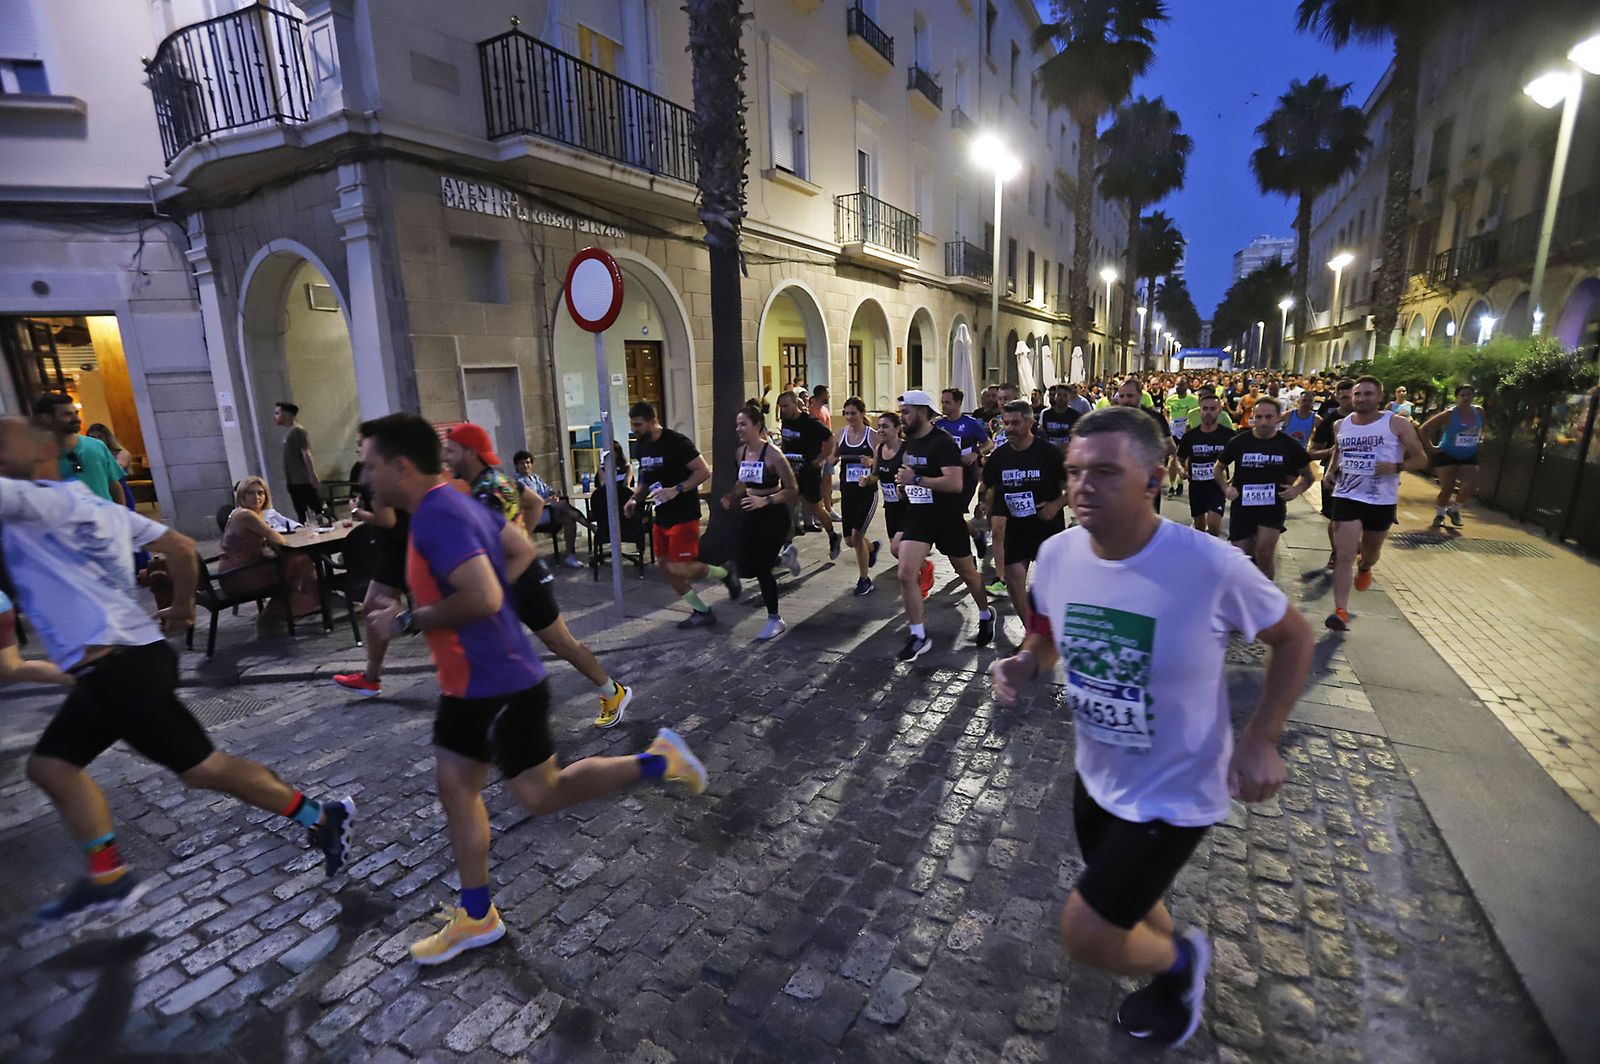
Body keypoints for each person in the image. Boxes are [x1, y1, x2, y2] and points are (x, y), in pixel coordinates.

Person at [989, 405, 1314, 1048]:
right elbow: (1051, 626)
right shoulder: (1056, 553)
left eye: (1105, 471)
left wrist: (1261, 737)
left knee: (1087, 931)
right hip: (1098, 773)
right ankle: (1174, 977)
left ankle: (1184, 963)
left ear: (1153, 478)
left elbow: (1295, 638)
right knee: (1131, 905)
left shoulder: (1207, 564)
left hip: (1177, 787)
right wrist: (1028, 661)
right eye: (1075, 471)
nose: (1083, 486)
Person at [355, 413, 705, 963]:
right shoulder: (453, 501)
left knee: (515, 792)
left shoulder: (439, 516)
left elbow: (486, 598)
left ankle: (477, 915)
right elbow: (518, 551)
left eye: (371, 464)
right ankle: (479, 914)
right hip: (488, 678)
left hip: (488, 684)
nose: (365, 475)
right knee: (486, 788)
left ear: (401, 467)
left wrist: (405, 622)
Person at [0, 417, 356, 920]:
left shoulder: (36, 501)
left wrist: (185, 609)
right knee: (51, 767)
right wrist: (185, 607)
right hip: (115, 669)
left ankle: (322, 816)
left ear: (38, 457)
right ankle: (107, 877)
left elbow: (182, 549)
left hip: (122, 672)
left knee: (204, 770)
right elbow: (182, 547)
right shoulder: (89, 506)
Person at [442, 423, 634, 729]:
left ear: (469, 452)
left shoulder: (486, 492)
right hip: (516, 580)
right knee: (504, 648)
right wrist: (522, 539)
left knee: (560, 644)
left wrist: (510, 565)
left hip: (520, 583)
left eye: (450, 450)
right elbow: (533, 502)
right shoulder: (497, 479)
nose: (445, 457)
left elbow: (516, 526)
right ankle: (507, 714)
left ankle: (612, 693)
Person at [894, 390, 993, 660]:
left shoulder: (943, 442)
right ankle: (918, 635)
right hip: (919, 516)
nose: (902, 417)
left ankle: (986, 613)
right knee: (905, 573)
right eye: (902, 412)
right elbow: (906, 472)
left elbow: (954, 483)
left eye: (906, 412)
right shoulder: (910, 441)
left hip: (946, 517)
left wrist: (916, 480)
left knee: (967, 573)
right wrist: (902, 484)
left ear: (923, 412)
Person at [1325, 376, 1428, 630]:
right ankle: (1340, 611)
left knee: (1369, 553)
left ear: (1380, 397)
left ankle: (1366, 567)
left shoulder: (1397, 424)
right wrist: (1330, 471)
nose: (1361, 399)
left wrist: (1395, 466)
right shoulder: (1341, 424)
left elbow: (1421, 459)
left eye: (1368, 394)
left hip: (1380, 500)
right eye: (1357, 394)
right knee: (1344, 554)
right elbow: (1338, 450)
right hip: (1346, 495)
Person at [625, 402, 740, 627]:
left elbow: (704, 470)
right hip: (662, 515)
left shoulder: (676, 442)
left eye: (638, 425)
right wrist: (634, 499)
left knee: (680, 567)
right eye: (633, 425)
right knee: (665, 567)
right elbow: (644, 480)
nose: (635, 430)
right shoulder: (642, 447)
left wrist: (675, 489)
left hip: (684, 514)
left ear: (652, 421)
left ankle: (724, 572)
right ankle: (701, 610)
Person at [331, 435, 412, 697]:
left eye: (361, 443)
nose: (356, 447)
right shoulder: (374, 472)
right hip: (393, 551)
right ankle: (371, 676)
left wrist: (357, 512)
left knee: (435, 612)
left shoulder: (379, 476)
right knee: (370, 606)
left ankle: (410, 620)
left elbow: (386, 519)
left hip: (401, 551)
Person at [982, 400, 1068, 627]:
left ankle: (1053, 628)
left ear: (1029, 422)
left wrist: (1055, 505)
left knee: (1051, 585)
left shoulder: (1049, 453)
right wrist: (987, 507)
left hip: (1047, 530)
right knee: (1014, 580)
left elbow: (1074, 487)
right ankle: (1032, 632)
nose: (1009, 428)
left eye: (1015, 423)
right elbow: (990, 486)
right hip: (1017, 529)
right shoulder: (1000, 457)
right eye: (1006, 423)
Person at [721, 405, 799, 640]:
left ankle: (775, 619)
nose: (739, 429)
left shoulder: (774, 455)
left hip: (773, 514)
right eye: (737, 424)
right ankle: (783, 559)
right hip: (750, 511)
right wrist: (731, 496)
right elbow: (742, 481)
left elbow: (793, 490)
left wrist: (765, 500)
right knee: (745, 566)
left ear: (757, 426)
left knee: (763, 569)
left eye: (743, 424)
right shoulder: (740, 453)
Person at [1216, 398, 1314, 580]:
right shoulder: (1239, 442)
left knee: (1264, 552)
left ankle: (1266, 598)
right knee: (1242, 557)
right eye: (1259, 417)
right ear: (1252, 417)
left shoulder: (1289, 444)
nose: (1263, 422)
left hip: (1272, 506)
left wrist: (1296, 490)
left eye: (1268, 417)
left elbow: (1309, 476)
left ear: (1278, 418)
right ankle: (1248, 591)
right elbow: (1218, 468)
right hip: (1242, 506)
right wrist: (1225, 487)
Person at [219, 475, 322, 629]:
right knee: (299, 561)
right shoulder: (245, 515)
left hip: (242, 569)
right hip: (238, 575)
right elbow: (278, 539)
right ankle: (281, 612)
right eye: (251, 493)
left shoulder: (248, 513)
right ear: (242, 495)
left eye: (260, 493)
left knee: (295, 563)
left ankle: (299, 603)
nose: (257, 497)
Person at [31, 392, 124, 505]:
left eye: (76, 413)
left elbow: (114, 486)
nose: (76, 419)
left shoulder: (97, 446)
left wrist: (122, 516)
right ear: (47, 418)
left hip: (105, 519)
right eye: (67, 414)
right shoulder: (37, 456)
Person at [777, 391, 839, 557]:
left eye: (786, 406)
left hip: (808, 471)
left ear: (795, 404)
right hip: (790, 471)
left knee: (815, 508)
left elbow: (830, 438)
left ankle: (833, 536)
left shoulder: (810, 422)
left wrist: (819, 459)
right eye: (781, 406)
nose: (783, 410)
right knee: (788, 508)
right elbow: (786, 441)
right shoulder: (785, 422)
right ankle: (787, 547)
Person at [935, 387, 993, 558]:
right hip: (945, 475)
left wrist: (976, 453)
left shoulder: (970, 423)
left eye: (948, 402)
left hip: (967, 475)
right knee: (950, 516)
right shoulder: (939, 424)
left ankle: (966, 555)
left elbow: (988, 443)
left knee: (954, 514)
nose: (944, 406)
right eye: (942, 402)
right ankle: (975, 534)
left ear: (959, 403)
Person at [833, 397, 882, 597]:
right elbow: (832, 458)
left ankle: (865, 579)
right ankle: (871, 549)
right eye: (846, 413)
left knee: (856, 536)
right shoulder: (839, 434)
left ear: (862, 413)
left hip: (866, 493)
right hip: (848, 492)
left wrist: (870, 461)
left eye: (853, 413)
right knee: (849, 541)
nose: (849, 417)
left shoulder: (873, 437)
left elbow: (881, 465)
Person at [1419, 384, 1484, 529]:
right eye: (1462, 395)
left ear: (1473, 397)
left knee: (1471, 485)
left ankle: (1454, 510)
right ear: (1457, 397)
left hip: (1469, 454)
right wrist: (1431, 448)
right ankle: (1440, 515)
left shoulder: (1479, 411)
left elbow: (1482, 427)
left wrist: (1481, 438)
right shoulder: (1449, 414)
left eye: (1469, 395)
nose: (1466, 398)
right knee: (1448, 488)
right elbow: (1424, 429)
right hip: (1447, 454)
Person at [1307, 378, 1355, 570]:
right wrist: (1332, 451)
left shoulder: (1372, 418)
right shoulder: (1330, 421)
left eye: (1351, 396)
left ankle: (1356, 550)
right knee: (1335, 518)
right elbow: (1311, 452)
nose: (1348, 401)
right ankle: (1336, 552)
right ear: (1336, 397)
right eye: (1343, 397)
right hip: (1336, 474)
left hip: (1363, 477)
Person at [512, 450, 589, 569]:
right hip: (533, 515)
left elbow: (548, 490)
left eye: (528, 462)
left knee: (569, 519)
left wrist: (553, 494)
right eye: (522, 463)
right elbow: (524, 504)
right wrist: (546, 501)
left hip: (548, 511)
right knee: (562, 505)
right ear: (516, 465)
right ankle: (591, 526)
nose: (526, 465)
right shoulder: (516, 483)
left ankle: (570, 555)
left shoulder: (535, 478)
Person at [1113, 380, 1176, 508]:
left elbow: (1170, 447)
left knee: (1147, 522)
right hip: (1119, 481)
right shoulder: (1111, 419)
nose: (1125, 400)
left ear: (1140, 396)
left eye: (1130, 396)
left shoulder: (1154, 418)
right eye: (1122, 396)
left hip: (1147, 479)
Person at [1176, 394, 1232, 537]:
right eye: (1205, 408)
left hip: (1217, 486)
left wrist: (1235, 480)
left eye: (1212, 409)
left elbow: (1241, 457)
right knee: (1200, 528)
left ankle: (1213, 555)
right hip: (1196, 487)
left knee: (1213, 526)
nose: (1208, 412)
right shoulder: (1190, 437)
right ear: (1199, 411)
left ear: (1219, 411)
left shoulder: (1228, 435)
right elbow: (1178, 458)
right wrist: (1181, 470)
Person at [874, 411, 919, 591]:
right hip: (890, 506)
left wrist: (903, 488)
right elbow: (876, 474)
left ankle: (921, 571)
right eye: (878, 427)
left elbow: (914, 474)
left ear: (897, 428)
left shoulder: (906, 449)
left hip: (908, 506)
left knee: (895, 548)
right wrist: (867, 479)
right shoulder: (878, 449)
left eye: (885, 426)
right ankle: (916, 566)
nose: (881, 430)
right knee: (898, 549)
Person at [274, 401, 325, 524]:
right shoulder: (288, 432)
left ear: (286, 414)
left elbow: (306, 453)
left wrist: (311, 475)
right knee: (300, 511)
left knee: (315, 508)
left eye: (277, 413)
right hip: (292, 481)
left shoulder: (297, 431)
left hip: (302, 480)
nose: (274, 416)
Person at [1162, 382, 1200, 498]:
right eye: (1177, 386)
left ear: (1186, 388)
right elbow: (1166, 413)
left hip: (1187, 432)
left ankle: (1180, 480)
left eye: (1181, 386)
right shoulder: (1170, 400)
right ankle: (1172, 486)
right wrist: (1168, 423)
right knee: (1173, 458)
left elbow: (1196, 415)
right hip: (1174, 431)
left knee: (1186, 458)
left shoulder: (1194, 400)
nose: (1179, 388)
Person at [808, 385, 838, 522]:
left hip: (827, 451)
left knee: (827, 482)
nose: (829, 396)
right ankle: (818, 513)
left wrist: (832, 451)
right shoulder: (812, 411)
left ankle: (829, 509)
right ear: (821, 395)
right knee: (817, 484)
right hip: (818, 452)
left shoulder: (825, 410)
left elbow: (829, 432)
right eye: (827, 393)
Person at [1039, 385, 1081, 455]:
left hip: (1067, 453)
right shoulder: (1046, 413)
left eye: (1065, 395)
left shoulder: (1075, 415)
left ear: (1069, 397)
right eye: (1059, 395)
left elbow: (1077, 436)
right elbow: (1042, 433)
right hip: (1049, 452)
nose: (1061, 398)